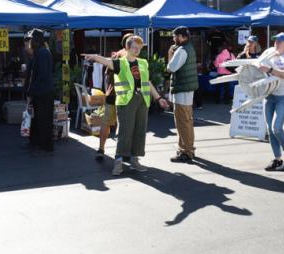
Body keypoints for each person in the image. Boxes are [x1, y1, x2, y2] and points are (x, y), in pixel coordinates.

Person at [83, 34, 168, 175]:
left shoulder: (143, 63)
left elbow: (147, 82)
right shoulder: (120, 62)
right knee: (125, 132)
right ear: (127, 48)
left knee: (140, 131)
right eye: (134, 47)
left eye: (139, 48)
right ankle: (118, 162)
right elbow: (105, 61)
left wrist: (158, 98)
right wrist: (95, 56)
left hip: (142, 101)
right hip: (126, 102)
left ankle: (134, 160)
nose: (137, 50)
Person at [167, 26, 199, 164]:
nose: (174, 39)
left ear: (181, 37)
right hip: (188, 90)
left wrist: (170, 54)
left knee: (182, 123)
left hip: (181, 91)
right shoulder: (190, 47)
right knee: (187, 122)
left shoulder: (181, 50)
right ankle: (189, 148)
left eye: (175, 36)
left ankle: (186, 152)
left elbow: (171, 67)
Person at [259, 33, 284, 171]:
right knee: (270, 130)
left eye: (279, 41)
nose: (276, 42)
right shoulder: (269, 52)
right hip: (269, 95)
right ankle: (277, 159)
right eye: (275, 40)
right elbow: (258, 65)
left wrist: (270, 70)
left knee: (277, 128)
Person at [26, 29, 55, 152]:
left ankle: (45, 144)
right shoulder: (42, 52)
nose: (30, 42)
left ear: (36, 40)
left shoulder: (42, 53)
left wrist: (31, 90)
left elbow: (42, 75)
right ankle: (39, 142)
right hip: (43, 91)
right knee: (40, 118)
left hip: (43, 92)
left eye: (31, 40)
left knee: (44, 119)